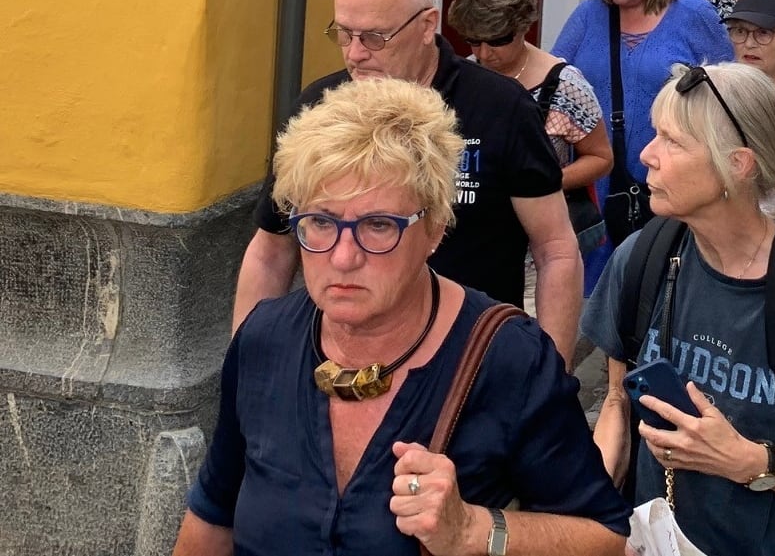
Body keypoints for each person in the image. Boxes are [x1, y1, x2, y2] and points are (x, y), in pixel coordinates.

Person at [173, 78, 630, 556]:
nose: (343, 257)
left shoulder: (510, 358)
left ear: (433, 229)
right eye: (321, 222)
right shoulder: (262, 342)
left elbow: (606, 538)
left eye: (378, 225)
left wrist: (472, 530)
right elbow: (212, 517)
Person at [584, 62, 775, 556]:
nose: (646, 154)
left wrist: (745, 460)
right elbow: (619, 400)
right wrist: (597, 509)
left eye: (673, 141)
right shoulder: (642, 259)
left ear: (739, 165)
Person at [233, 0, 583, 368]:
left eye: (375, 37)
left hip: (471, 364)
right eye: (344, 34)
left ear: (426, 25)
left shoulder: (501, 108)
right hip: (339, 363)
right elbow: (271, 250)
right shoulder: (318, 109)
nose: (355, 54)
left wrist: (552, 376)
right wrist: (243, 367)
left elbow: (556, 249)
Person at [552, 0, 733, 293]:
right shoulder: (589, 16)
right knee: (593, 285)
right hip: (595, 181)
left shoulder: (693, 14)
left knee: (659, 279)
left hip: (671, 174)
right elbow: (554, 80)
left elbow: (727, 89)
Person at [446, 0, 614, 254]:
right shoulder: (461, 78)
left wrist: (539, 183)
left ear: (523, 26)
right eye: (474, 42)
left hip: (537, 254)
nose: (484, 53)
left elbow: (601, 158)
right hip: (469, 246)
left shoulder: (565, 85)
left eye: (498, 41)